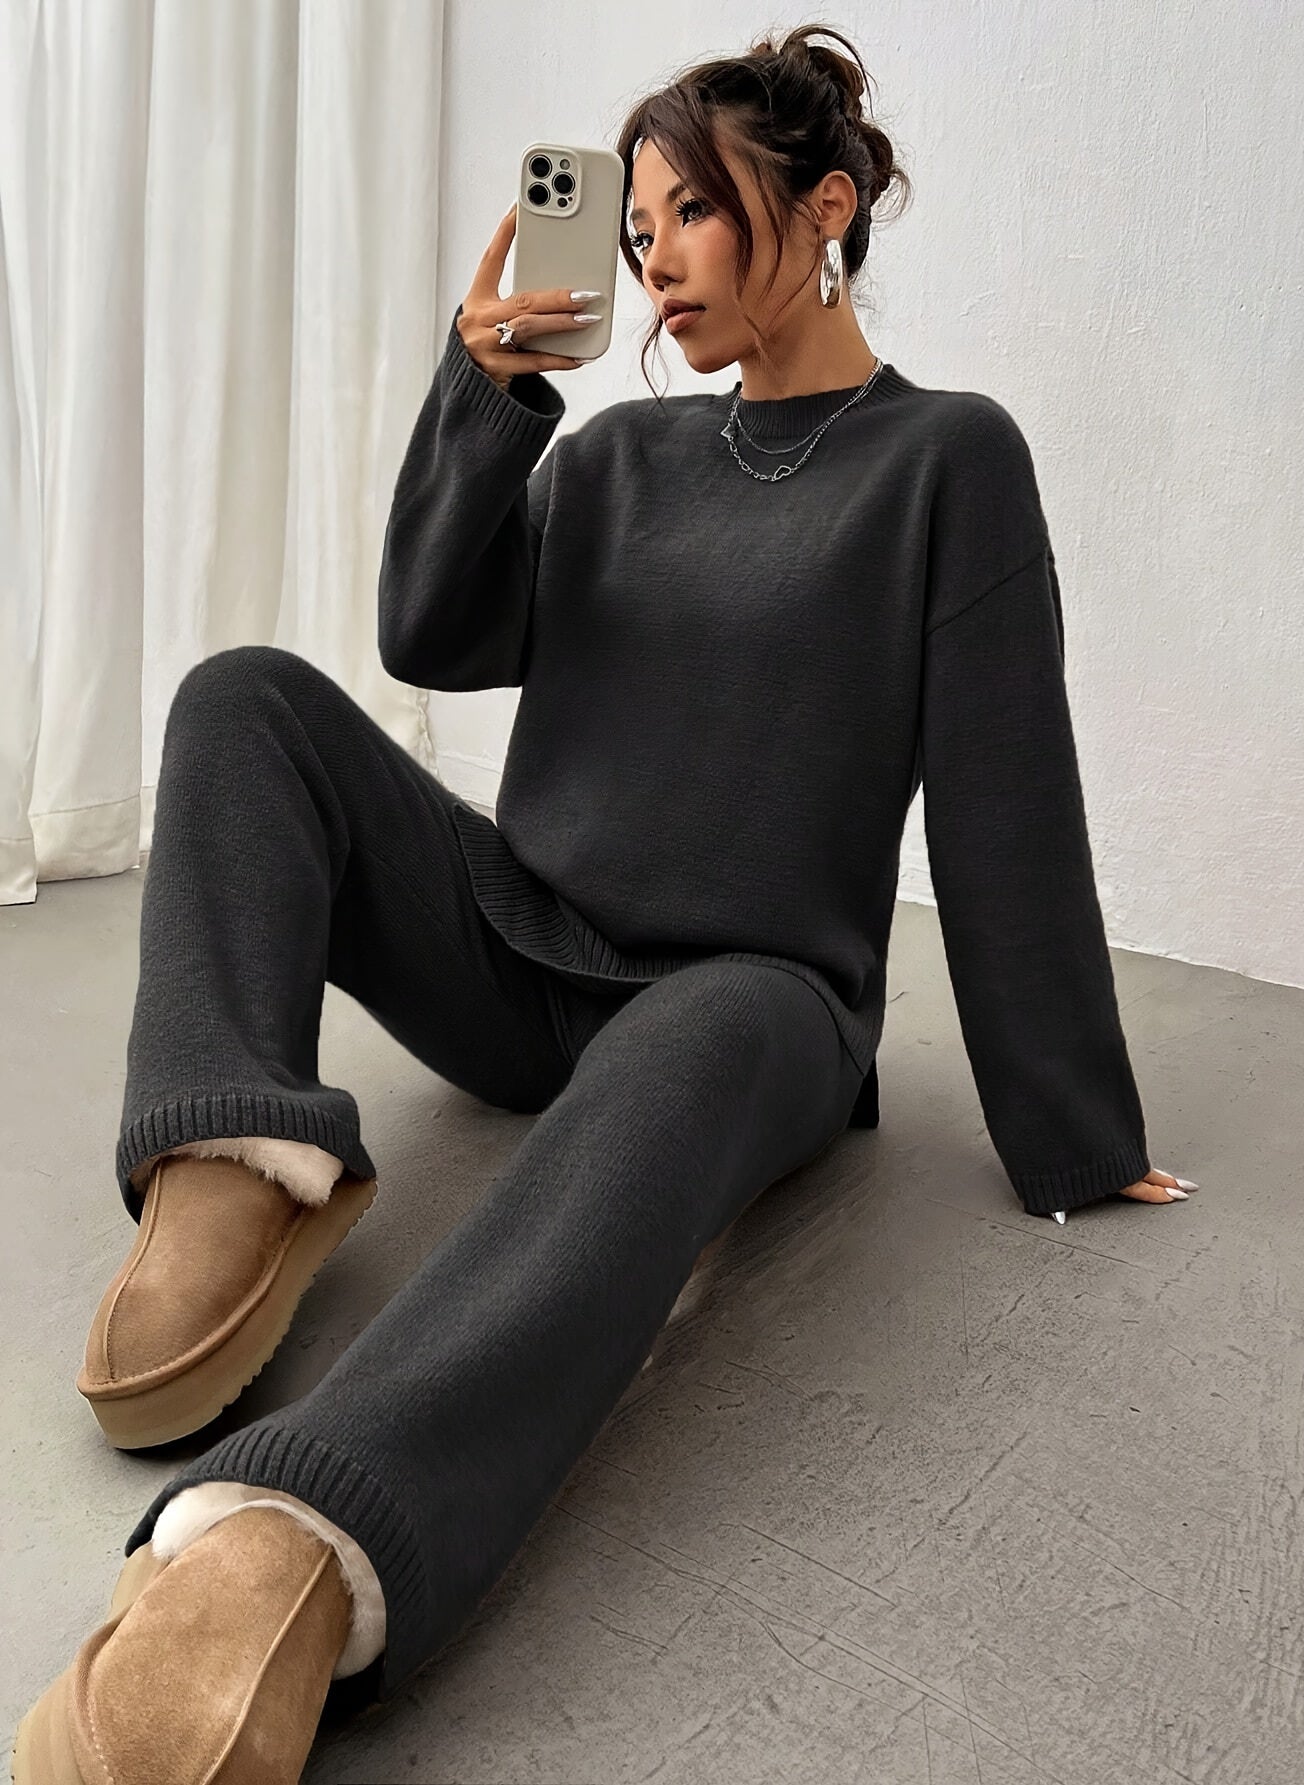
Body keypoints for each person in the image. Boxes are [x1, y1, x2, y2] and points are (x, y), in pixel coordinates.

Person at [12, 23, 1200, 1784]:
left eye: (690, 214)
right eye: (634, 225)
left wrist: (1078, 1134)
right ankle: (233, 1165)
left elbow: (1007, 791)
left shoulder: (948, 458)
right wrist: (485, 400)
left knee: (691, 1043)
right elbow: (433, 634)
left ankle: (299, 1539)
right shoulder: (618, 457)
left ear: (825, 209)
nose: (650, 258)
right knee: (242, 698)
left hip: (754, 995)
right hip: (528, 946)